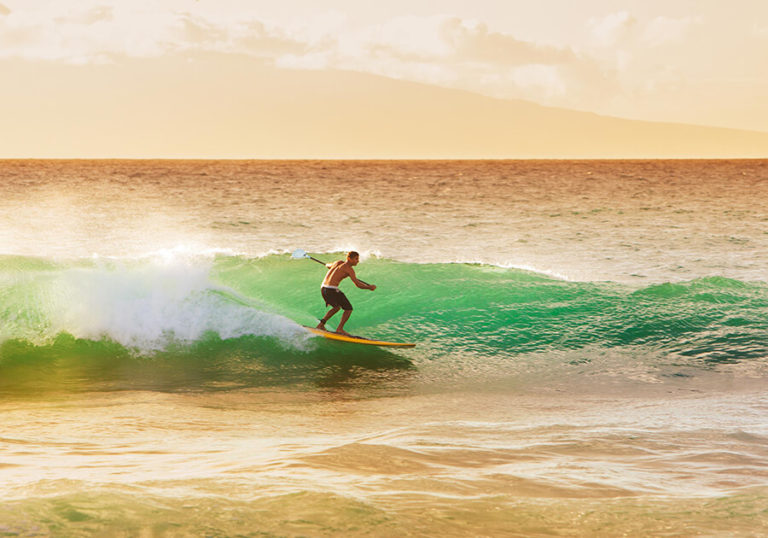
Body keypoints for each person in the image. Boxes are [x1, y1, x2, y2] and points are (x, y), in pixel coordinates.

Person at [316, 251, 376, 335]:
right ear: (349, 259)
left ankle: (321, 325)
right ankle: (339, 329)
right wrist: (369, 287)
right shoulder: (349, 269)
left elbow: (328, 265)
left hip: (323, 288)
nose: (358, 261)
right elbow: (357, 284)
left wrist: (331, 267)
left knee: (336, 307)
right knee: (348, 309)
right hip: (331, 289)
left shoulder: (338, 262)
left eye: (358, 259)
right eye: (356, 259)